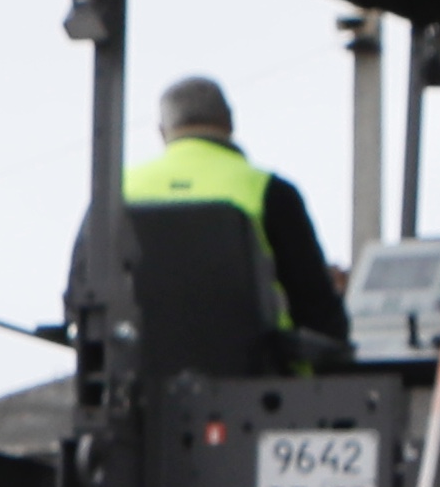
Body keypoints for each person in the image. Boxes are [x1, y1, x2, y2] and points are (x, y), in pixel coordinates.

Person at [123, 76, 352, 362]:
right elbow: (317, 310)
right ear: (230, 121)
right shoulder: (269, 191)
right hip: (259, 385)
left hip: (139, 380)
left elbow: (82, 293)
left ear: (161, 131)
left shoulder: (119, 190)